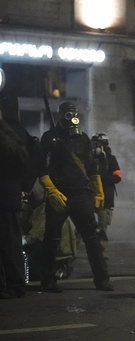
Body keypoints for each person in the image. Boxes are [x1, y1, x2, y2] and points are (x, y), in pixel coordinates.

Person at [38, 102, 113, 292]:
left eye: (74, 114)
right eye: (68, 114)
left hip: (81, 195)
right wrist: (52, 191)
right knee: (52, 238)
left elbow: (91, 166)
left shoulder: (82, 139)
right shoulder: (49, 138)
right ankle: (48, 280)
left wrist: (98, 191)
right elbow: (41, 168)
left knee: (92, 238)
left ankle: (102, 279)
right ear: (59, 115)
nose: (71, 117)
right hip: (59, 195)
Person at [0, 91, 31, 299]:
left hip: (6, 194)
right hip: (8, 193)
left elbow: (20, 160)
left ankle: (15, 284)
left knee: (9, 242)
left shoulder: (13, 132)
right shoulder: (16, 131)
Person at [91, 133, 121, 259]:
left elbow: (117, 177)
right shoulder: (90, 159)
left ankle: (100, 251)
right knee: (85, 224)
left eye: (98, 144)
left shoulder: (110, 159)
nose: (96, 147)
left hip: (105, 198)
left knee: (102, 226)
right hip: (90, 196)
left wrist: (100, 178)